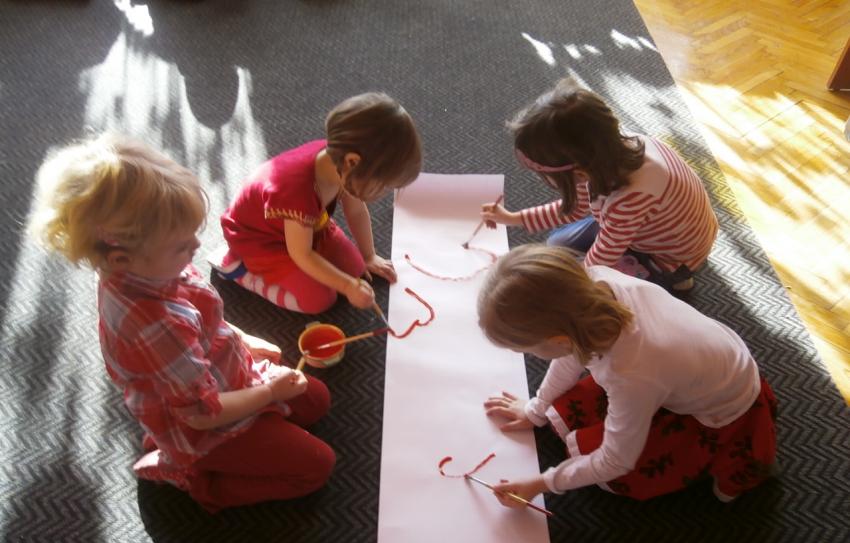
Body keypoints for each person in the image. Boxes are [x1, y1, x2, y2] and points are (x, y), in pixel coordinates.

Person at [30, 134, 335, 513]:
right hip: (206, 421)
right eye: (181, 245)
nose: (196, 247)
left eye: (192, 235)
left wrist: (242, 339)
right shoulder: (156, 327)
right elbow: (203, 415)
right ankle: (194, 477)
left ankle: (203, 438)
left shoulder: (148, 266)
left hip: (219, 377)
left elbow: (202, 316)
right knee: (316, 467)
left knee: (316, 400)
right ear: (122, 259)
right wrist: (270, 393)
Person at [477, 244, 777, 506]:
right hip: (691, 366)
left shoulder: (631, 373)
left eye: (527, 350)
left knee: (620, 473)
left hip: (724, 408)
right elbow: (570, 355)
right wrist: (537, 409)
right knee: (569, 414)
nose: (528, 355)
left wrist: (542, 484)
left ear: (559, 340)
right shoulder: (594, 282)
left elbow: (616, 461)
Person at [479, 79, 718, 292]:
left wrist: (567, 283)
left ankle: (675, 279)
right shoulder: (608, 150)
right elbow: (575, 208)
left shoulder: (629, 198)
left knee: (588, 286)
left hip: (671, 257)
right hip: (649, 227)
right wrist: (513, 218)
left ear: (580, 173)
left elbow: (601, 259)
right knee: (556, 246)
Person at [217, 92, 422, 313]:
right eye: (382, 184)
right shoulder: (297, 193)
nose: (382, 192)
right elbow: (302, 254)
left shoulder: (341, 164)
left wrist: (368, 255)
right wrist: (346, 285)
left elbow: (355, 212)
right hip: (261, 241)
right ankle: (243, 273)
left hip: (306, 226)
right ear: (353, 162)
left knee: (356, 269)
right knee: (320, 300)